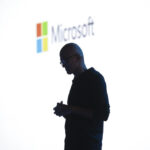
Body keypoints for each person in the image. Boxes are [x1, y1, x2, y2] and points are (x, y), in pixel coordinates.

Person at [53, 43, 110, 150]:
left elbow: (103, 114)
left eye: (65, 60)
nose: (63, 65)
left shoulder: (95, 78)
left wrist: (71, 109)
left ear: (78, 58)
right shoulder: (77, 82)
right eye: (62, 61)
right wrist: (66, 112)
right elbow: (81, 119)